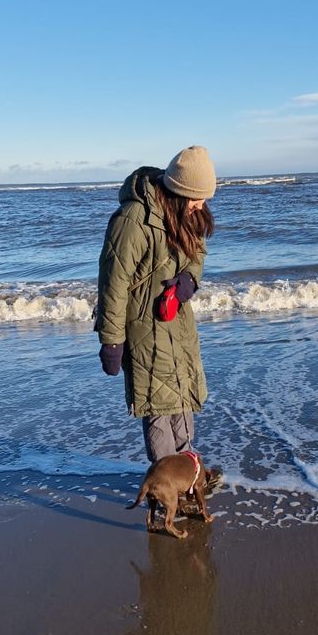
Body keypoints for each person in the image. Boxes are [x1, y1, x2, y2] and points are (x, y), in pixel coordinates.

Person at [94, 145, 222, 493]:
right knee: (159, 409)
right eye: (197, 198)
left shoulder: (188, 212)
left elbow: (198, 255)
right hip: (144, 329)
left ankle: (188, 479)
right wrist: (111, 340)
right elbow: (113, 284)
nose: (201, 206)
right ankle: (165, 487)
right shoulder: (132, 220)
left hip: (177, 324)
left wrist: (189, 280)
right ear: (179, 191)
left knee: (182, 400)